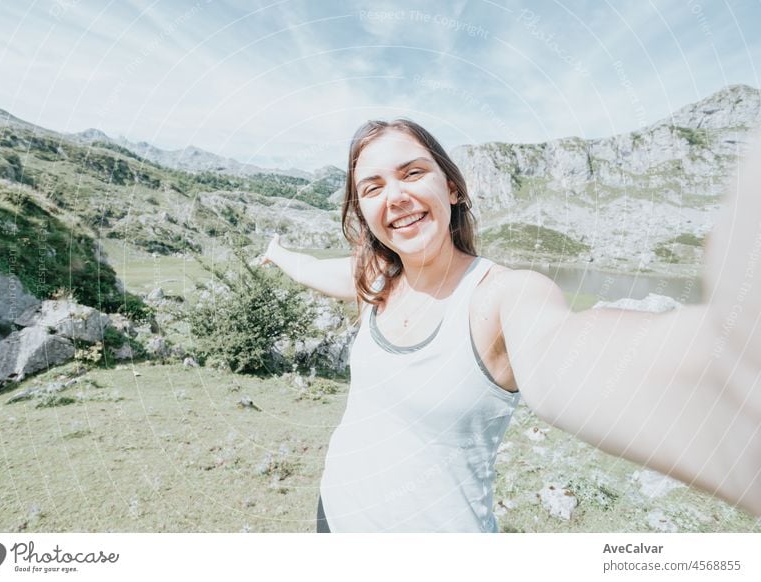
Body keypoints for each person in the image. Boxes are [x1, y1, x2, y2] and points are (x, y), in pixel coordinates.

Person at [262, 119, 761, 532]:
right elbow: (314, 269)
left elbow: (566, 356)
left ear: (452, 187)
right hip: (335, 517)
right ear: (365, 212)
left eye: (412, 173)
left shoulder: (503, 297)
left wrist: (732, 370)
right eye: (372, 187)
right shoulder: (378, 281)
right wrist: (277, 253)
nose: (394, 197)